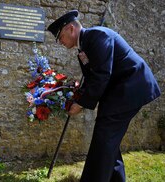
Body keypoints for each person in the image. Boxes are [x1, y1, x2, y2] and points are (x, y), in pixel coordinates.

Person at [47, 10, 161, 182]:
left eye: (60, 37)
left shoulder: (97, 36)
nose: (60, 42)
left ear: (71, 29)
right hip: (121, 92)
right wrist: (78, 97)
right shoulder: (84, 46)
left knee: (104, 139)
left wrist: (81, 104)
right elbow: (92, 77)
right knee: (108, 140)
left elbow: (102, 74)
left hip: (130, 88)